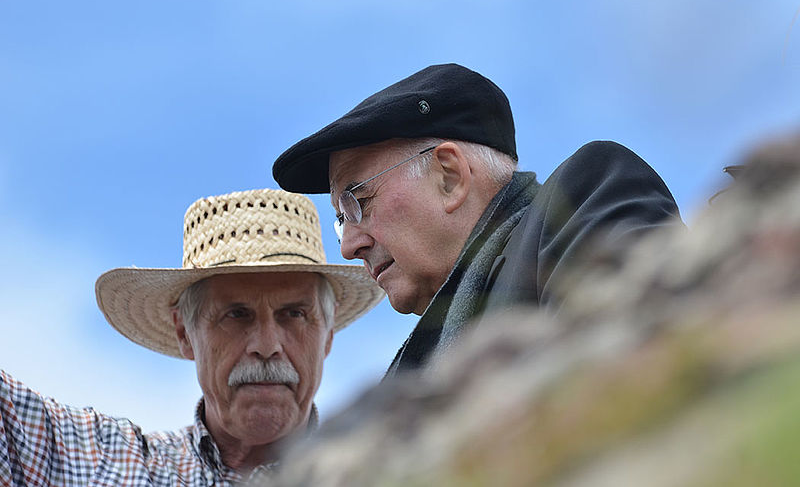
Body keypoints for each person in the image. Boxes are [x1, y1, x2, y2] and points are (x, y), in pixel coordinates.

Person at [272, 63, 683, 376]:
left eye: (359, 200)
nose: (348, 246)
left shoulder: (585, 195)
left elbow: (646, 360)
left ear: (449, 176)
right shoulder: (412, 369)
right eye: (341, 218)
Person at [0, 188, 383, 486]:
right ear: (185, 333)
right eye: (236, 315)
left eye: (294, 315)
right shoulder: (101, 463)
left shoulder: (390, 467)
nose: (267, 346)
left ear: (327, 335)